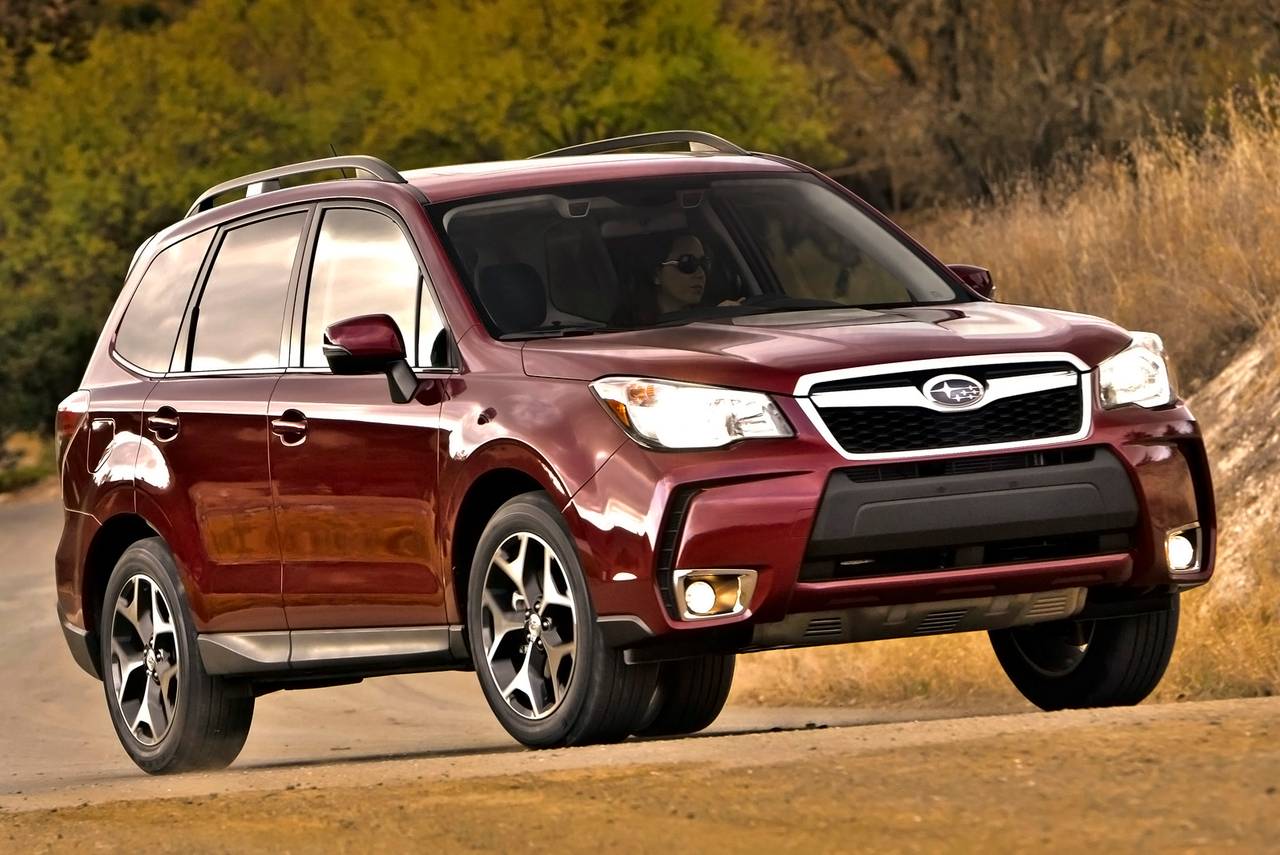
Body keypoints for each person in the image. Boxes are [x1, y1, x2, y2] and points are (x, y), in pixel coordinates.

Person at [651, 234, 742, 314]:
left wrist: (717, 316)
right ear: (657, 275)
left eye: (704, 264)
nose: (701, 274)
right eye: (687, 263)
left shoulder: (707, 315)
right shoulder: (642, 325)